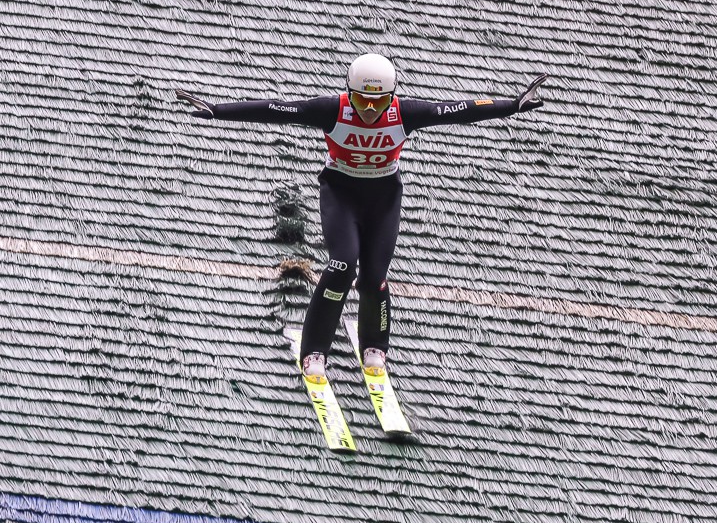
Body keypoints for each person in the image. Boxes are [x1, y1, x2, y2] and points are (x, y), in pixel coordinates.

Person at [176, 54, 547, 385]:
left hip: (383, 200)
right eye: (362, 100)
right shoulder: (332, 110)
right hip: (341, 196)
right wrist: (217, 110)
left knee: (373, 277)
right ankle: (315, 351)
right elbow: (278, 109)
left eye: (379, 102)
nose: (369, 110)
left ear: (392, 97)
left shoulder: (404, 113)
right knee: (341, 266)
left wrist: (512, 105)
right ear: (348, 93)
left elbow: (457, 110)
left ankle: (375, 348)